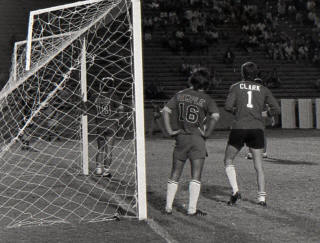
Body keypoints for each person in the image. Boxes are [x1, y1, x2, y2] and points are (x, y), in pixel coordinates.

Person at [162, 68, 220, 216]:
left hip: (181, 137)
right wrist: (207, 133)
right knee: (196, 175)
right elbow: (215, 116)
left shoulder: (180, 95)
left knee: (175, 172)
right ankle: (191, 209)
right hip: (197, 139)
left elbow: (165, 111)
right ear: (206, 84)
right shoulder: (206, 99)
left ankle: (168, 207)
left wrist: (169, 131)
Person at [223, 62, 280, 207]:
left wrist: (239, 112)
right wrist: (262, 114)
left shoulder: (235, 87)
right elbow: (276, 109)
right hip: (257, 128)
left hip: (239, 127)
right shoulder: (263, 89)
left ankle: (235, 190)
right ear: (256, 74)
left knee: (228, 159)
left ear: (242, 73)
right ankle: (262, 198)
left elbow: (228, 106)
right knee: (259, 166)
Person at [94, 77, 124, 177]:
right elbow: (121, 108)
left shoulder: (95, 96)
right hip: (111, 126)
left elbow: (87, 107)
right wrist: (118, 118)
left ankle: (98, 169)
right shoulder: (112, 95)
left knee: (100, 149)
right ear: (111, 87)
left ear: (101, 85)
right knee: (109, 150)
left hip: (100, 125)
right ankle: (106, 171)